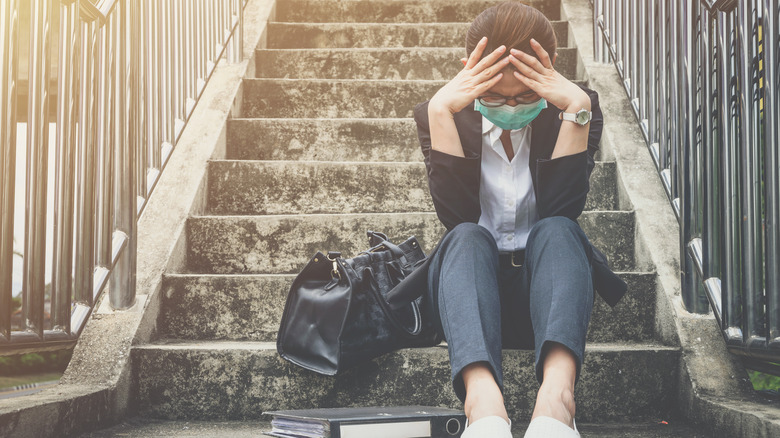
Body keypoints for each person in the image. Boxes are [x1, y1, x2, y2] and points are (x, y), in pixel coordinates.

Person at [412, 2, 628, 437]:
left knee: (559, 229)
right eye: (494, 97)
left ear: (546, 74)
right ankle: (483, 405)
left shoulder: (577, 109)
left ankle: (557, 402)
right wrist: (441, 113)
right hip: (471, 296)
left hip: (547, 297)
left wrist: (576, 109)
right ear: (471, 74)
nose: (510, 107)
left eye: (526, 96)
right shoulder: (442, 114)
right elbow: (455, 216)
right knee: (467, 236)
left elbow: (562, 210)